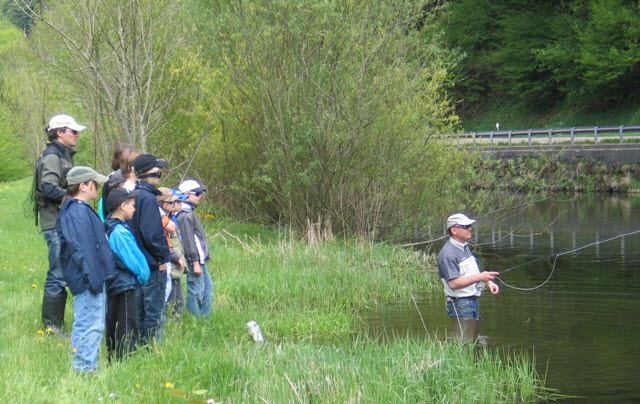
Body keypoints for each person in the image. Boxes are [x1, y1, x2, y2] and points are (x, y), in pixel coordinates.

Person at [56, 166, 113, 373]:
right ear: (83, 186)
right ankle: (83, 368)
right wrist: (94, 278)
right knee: (89, 324)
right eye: (94, 183)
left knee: (95, 323)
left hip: (91, 277)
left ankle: (89, 365)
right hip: (87, 279)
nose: (96, 187)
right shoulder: (76, 211)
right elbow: (83, 249)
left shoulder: (79, 209)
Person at [34, 114, 86, 334]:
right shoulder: (52, 157)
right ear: (59, 132)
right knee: (57, 273)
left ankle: (57, 325)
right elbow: (47, 187)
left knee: (63, 271)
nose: (77, 134)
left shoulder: (63, 155)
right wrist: (73, 200)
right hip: (54, 221)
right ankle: (52, 328)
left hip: (61, 221)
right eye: (72, 131)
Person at [127, 153, 171, 344]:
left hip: (135, 263)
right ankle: (151, 350)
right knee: (153, 313)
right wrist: (162, 259)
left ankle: (136, 347)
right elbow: (152, 234)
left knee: (138, 312)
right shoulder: (148, 198)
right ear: (149, 174)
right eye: (159, 173)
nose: (160, 177)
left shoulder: (132, 196)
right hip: (152, 265)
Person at [436, 213, 499, 342]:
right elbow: (453, 283)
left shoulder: (465, 248)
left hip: (471, 303)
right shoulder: (448, 254)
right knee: (464, 346)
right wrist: (480, 276)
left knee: (472, 343)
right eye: (465, 226)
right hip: (460, 304)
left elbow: (471, 275)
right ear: (454, 230)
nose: (470, 228)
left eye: (469, 226)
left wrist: (488, 282)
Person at [104, 188, 150, 361]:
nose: (134, 209)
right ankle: (124, 361)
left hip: (114, 283)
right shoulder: (120, 232)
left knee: (114, 323)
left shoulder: (108, 225)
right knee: (127, 325)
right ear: (123, 206)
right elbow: (135, 261)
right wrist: (144, 276)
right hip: (123, 284)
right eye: (132, 205)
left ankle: (113, 357)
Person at [177, 179, 213, 317]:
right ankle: (195, 320)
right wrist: (195, 262)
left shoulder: (188, 212)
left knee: (207, 288)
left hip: (199, 258)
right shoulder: (184, 215)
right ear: (186, 194)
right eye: (197, 193)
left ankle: (204, 319)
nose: (200, 196)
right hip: (195, 259)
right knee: (196, 289)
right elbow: (189, 241)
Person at [157, 188, 188, 316]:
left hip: (173, 264)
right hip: (168, 263)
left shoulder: (170, 217)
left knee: (179, 301)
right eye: (171, 202)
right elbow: (161, 243)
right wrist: (175, 257)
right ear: (162, 204)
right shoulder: (160, 218)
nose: (174, 204)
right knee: (170, 300)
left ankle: (176, 326)